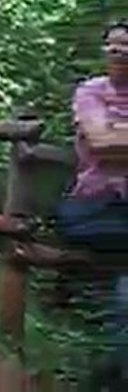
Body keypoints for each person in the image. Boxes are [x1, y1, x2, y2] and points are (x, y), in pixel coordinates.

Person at [59, 20, 128, 386]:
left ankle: (109, 373)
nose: (119, 51)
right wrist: (107, 136)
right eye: (112, 45)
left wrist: (116, 135)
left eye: (126, 45)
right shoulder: (91, 92)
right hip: (95, 206)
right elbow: (99, 142)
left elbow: (108, 139)